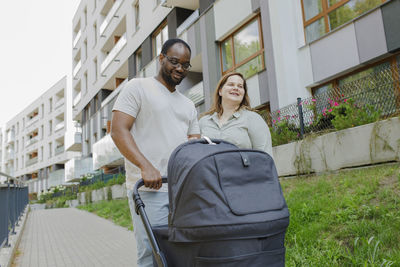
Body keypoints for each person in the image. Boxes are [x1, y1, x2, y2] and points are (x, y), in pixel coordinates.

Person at [111, 38, 200, 267]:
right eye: (174, 61)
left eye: (185, 64)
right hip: (149, 188)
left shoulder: (188, 105)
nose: (180, 68)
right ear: (161, 59)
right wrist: (145, 165)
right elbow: (119, 131)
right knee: (152, 255)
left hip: (181, 190)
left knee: (182, 252)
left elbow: (194, 145)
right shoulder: (137, 87)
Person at [199, 72, 273, 156]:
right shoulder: (203, 122)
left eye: (240, 86)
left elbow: (265, 156)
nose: (235, 88)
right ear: (220, 91)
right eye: (231, 84)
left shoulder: (253, 119)